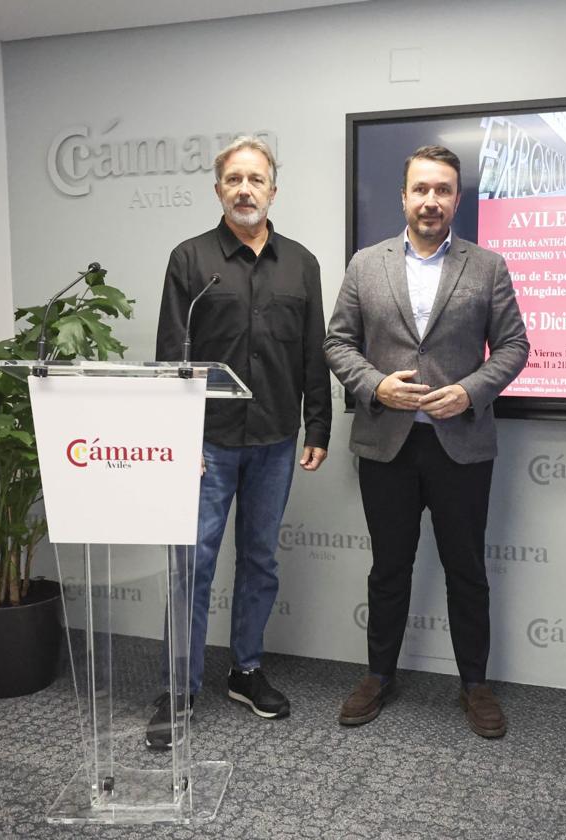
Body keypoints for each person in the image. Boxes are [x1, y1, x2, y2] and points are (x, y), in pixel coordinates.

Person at [324, 145, 529, 738]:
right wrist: (376, 385)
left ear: (457, 199)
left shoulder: (487, 267)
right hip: (387, 445)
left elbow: (515, 347)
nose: (431, 200)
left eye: (442, 190)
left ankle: (475, 684)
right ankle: (378, 676)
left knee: (467, 569)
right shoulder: (366, 264)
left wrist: (469, 391)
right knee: (389, 568)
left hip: (459, 443)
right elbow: (338, 344)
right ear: (404, 196)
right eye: (421, 189)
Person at [147, 136, 331, 747]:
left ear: (273, 190)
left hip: (277, 440)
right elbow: (171, 355)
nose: (245, 189)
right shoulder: (190, 260)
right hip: (207, 446)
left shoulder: (302, 263)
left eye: (257, 179)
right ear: (219, 189)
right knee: (192, 564)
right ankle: (181, 686)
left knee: (260, 561)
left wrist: (320, 427)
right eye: (234, 180)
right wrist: (177, 438)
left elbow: (314, 354)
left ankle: (245, 670)